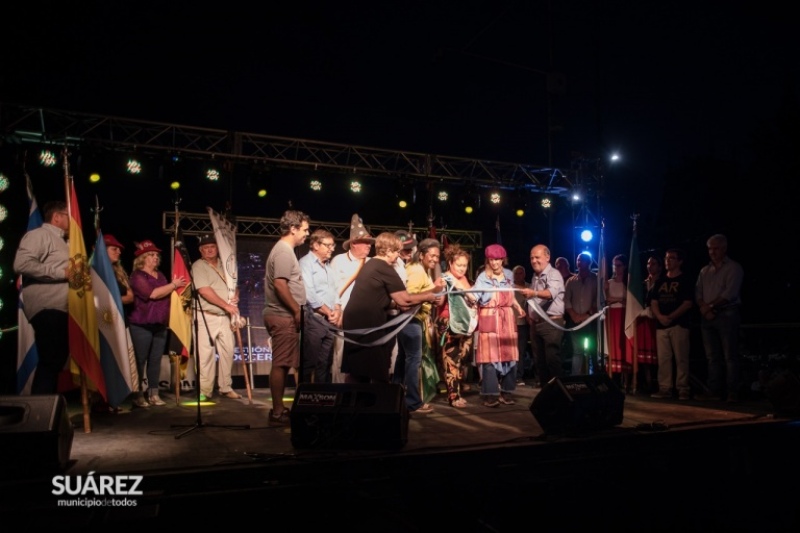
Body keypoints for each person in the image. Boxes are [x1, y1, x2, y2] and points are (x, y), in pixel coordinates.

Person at [342, 232, 441, 385]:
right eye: (396, 251)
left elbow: (384, 299)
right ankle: (378, 405)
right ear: (387, 251)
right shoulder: (383, 267)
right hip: (366, 324)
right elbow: (404, 300)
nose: (398, 256)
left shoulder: (372, 264)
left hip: (358, 321)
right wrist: (429, 296)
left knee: (359, 370)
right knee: (374, 369)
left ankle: (356, 404)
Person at [13, 200, 71, 394]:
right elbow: (21, 264)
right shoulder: (39, 235)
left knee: (56, 359)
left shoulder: (65, 242)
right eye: (67, 215)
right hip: (47, 307)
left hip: (62, 308)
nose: (72, 220)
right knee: (51, 358)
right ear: (56, 217)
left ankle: (48, 409)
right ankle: (40, 412)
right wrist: (61, 273)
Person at [263, 210, 310, 425]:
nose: (306, 234)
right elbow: (280, 285)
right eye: (305, 229)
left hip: (284, 315)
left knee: (284, 363)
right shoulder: (283, 251)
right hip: (282, 316)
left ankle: (280, 409)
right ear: (293, 229)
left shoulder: (286, 251)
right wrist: (296, 310)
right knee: (281, 364)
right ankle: (277, 411)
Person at [128, 240, 187, 407]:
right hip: (142, 324)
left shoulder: (160, 275)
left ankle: (154, 393)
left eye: (156, 255)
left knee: (155, 360)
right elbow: (152, 294)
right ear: (142, 258)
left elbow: (167, 293)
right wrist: (173, 285)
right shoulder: (137, 276)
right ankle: (138, 394)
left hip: (160, 324)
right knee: (140, 360)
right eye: (151, 255)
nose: (156, 257)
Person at [393, 238, 443, 414]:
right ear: (421, 254)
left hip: (411, 319)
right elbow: (409, 297)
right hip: (410, 320)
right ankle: (413, 402)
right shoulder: (416, 270)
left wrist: (433, 295)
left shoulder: (422, 269)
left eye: (438, 256)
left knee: (403, 359)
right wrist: (432, 293)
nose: (435, 259)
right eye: (432, 255)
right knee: (413, 361)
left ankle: (395, 397)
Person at [474, 244, 525, 407]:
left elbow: (511, 294)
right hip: (490, 316)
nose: (495, 263)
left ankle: (507, 391)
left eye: (498, 260)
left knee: (511, 356)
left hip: (507, 318)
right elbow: (475, 295)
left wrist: (517, 306)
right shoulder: (483, 277)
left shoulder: (509, 274)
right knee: (490, 357)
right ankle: (490, 394)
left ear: (503, 260)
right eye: (491, 260)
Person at [192, 234, 241, 401]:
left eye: (212, 246)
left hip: (225, 317)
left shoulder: (225, 265)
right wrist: (226, 305)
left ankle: (225, 387)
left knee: (228, 352)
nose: (209, 250)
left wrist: (235, 296)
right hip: (206, 315)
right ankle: (205, 390)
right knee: (205, 354)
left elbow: (235, 285)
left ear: (217, 248)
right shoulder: (198, 266)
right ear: (200, 251)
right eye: (205, 248)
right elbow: (204, 291)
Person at [695, 234, 744, 403]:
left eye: (716, 248)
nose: (712, 252)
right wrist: (704, 308)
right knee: (712, 357)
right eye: (710, 248)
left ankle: (732, 392)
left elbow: (729, 294)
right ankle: (713, 391)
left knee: (730, 356)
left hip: (727, 314)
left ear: (724, 248)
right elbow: (698, 293)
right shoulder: (704, 271)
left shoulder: (734, 268)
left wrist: (708, 307)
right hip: (707, 316)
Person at [330, 213, 374, 383]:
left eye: (370, 243)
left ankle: (361, 395)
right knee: (341, 356)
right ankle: (340, 393)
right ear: (354, 243)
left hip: (366, 320)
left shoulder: (372, 263)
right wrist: (337, 309)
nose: (369, 246)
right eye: (366, 243)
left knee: (364, 358)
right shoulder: (338, 262)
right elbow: (334, 290)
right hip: (344, 318)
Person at [436, 244, 478, 408]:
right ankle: (453, 397)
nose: (462, 268)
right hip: (449, 324)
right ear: (450, 264)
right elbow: (437, 300)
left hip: (465, 325)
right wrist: (439, 291)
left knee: (461, 361)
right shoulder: (444, 278)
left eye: (465, 265)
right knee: (451, 362)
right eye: (458, 265)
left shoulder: (464, 279)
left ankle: (457, 391)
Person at [650, 249, 694, 400]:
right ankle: (665, 388)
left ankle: (683, 388)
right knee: (663, 359)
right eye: (666, 258)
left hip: (679, 325)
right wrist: (660, 317)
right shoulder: (660, 281)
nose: (668, 261)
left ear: (680, 261)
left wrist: (670, 317)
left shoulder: (685, 280)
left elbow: (687, 303)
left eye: (672, 258)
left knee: (681, 358)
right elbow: (653, 302)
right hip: (662, 326)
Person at [299, 229, 340, 383]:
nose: (332, 248)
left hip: (329, 321)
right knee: (310, 363)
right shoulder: (305, 263)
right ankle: (304, 400)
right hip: (314, 319)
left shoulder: (328, 267)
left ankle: (321, 399)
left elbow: (335, 291)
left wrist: (337, 310)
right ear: (316, 245)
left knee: (325, 363)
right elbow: (309, 293)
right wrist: (329, 312)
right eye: (328, 245)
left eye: (333, 245)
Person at [523, 244, 566, 387]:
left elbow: (549, 294)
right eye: (531, 258)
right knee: (539, 362)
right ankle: (546, 395)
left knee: (552, 360)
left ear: (547, 257)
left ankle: (560, 395)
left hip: (551, 324)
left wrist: (533, 293)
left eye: (537, 257)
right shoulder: (535, 276)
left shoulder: (554, 274)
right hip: (536, 324)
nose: (534, 261)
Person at [564, 252, 598, 376]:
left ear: (588, 262)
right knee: (577, 351)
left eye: (582, 260)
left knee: (593, 350)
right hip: (575, 321)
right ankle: (576, 378)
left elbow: (597, 299)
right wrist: (574, 315)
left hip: (591, 320)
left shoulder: (595, 279)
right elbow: (566, 299)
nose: (579, 262)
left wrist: (587, 315)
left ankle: (595, 377)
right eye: (578, 260)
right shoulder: (571, 281)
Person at [604, 254, 632, 389]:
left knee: (624, 346)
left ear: (625, 266)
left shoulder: (629, 283)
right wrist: (619, 300)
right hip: (612, 316)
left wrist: (615, 299)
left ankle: (627, 380)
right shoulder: (609, 283)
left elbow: (630, 301)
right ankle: (613, 380)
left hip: (624, 316)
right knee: (613, 346)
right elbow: (607, 299)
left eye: (619, 265)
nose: (616, 268)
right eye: (614, 265)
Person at [636, 255, 663, 393]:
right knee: (645, 355)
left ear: (659, 266)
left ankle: (660, 383)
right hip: (645, 320)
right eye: (648, 263)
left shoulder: (664, 283)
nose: (650, 266)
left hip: (659, 321)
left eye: (653, 263)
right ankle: (647, 383)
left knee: (660, 353)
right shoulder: (642, 284)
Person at [511, 265, 531, 385]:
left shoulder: (529, 287)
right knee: (510, 351)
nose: (518, 275)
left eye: (520, 273)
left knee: (521, 351)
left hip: (523, 324)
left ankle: (519, 376)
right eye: (516, 273)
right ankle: (509, 377)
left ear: (524, 274)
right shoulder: (508, 287)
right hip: (510, 323)